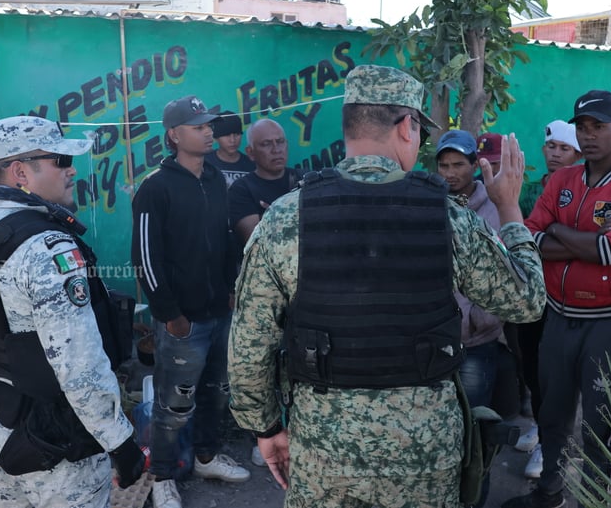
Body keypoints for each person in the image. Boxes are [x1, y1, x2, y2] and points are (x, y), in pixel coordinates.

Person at [228, 64, 546, 508]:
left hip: (324, 452)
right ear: (405, 126)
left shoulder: (284, 218)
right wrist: (510, 210)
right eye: (420, 131)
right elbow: (527, 301)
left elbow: (248, 348)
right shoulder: (450, 218)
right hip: (425, 454)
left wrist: (265, 429)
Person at [0, 116, 143, 508]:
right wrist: (119, 440)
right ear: (20, 172)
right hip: (56, 440)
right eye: (59, 160)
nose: (71, 171)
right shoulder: (47, 247)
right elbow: (78, 362)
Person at [506, 90, 611, 508]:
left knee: (599, 423)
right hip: (557, 317)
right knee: (552, 414)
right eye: (583, 128)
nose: (589, 136)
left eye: (599, 127)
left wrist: (559, 235)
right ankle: (550, 492)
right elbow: (530, 238)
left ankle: (592, 499)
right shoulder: (561, 181)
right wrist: (581, 242)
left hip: (606, 322)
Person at [132, 95, 249, 508]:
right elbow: (146, 257)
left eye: (208, 125)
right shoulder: (155, 187)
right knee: (174, 403)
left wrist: (233, 285)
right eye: (199, 126)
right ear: (174, 135)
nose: (208, 131)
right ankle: (162, 474)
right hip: (183, 321)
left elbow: (227, 237)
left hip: (220, 312)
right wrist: (169, 314)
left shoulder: (215, 178)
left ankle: (204, 456)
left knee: (216, 392)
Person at [435, 129, 521, 507]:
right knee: (439, 434)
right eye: (443, 165)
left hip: (477, 342)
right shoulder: (430, 203)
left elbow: (510, 270)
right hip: (436, 339)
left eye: (458, 165)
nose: (450, 172)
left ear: (475, 165)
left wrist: (477, 318)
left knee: (473, 435)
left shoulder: (495, 206)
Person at [514, 120, 583, 480]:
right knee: (531, 369)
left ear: (578, 154)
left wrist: (545, 237)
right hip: (528, 294)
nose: (556, 154)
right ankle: (542, 427)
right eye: (551, 147)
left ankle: (553, 443)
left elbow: (581, 246)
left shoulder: (584, 192)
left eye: (564, 149)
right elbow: (520, 235)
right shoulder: (528, 191)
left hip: (564, 298)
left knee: (556, 375)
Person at [228, 118, 303, 245]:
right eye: (266, 144)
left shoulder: (304, 179)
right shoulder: (242, 189)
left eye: (280, 142)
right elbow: (257, 242)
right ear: (250, 153)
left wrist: (273, 218)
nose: (276, 150)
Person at [205, 111, 255, 187]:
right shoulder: (205, 163)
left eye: (237, 134)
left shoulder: (252, 165)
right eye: (227, 135)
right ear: (216, 137)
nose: (232, 140)